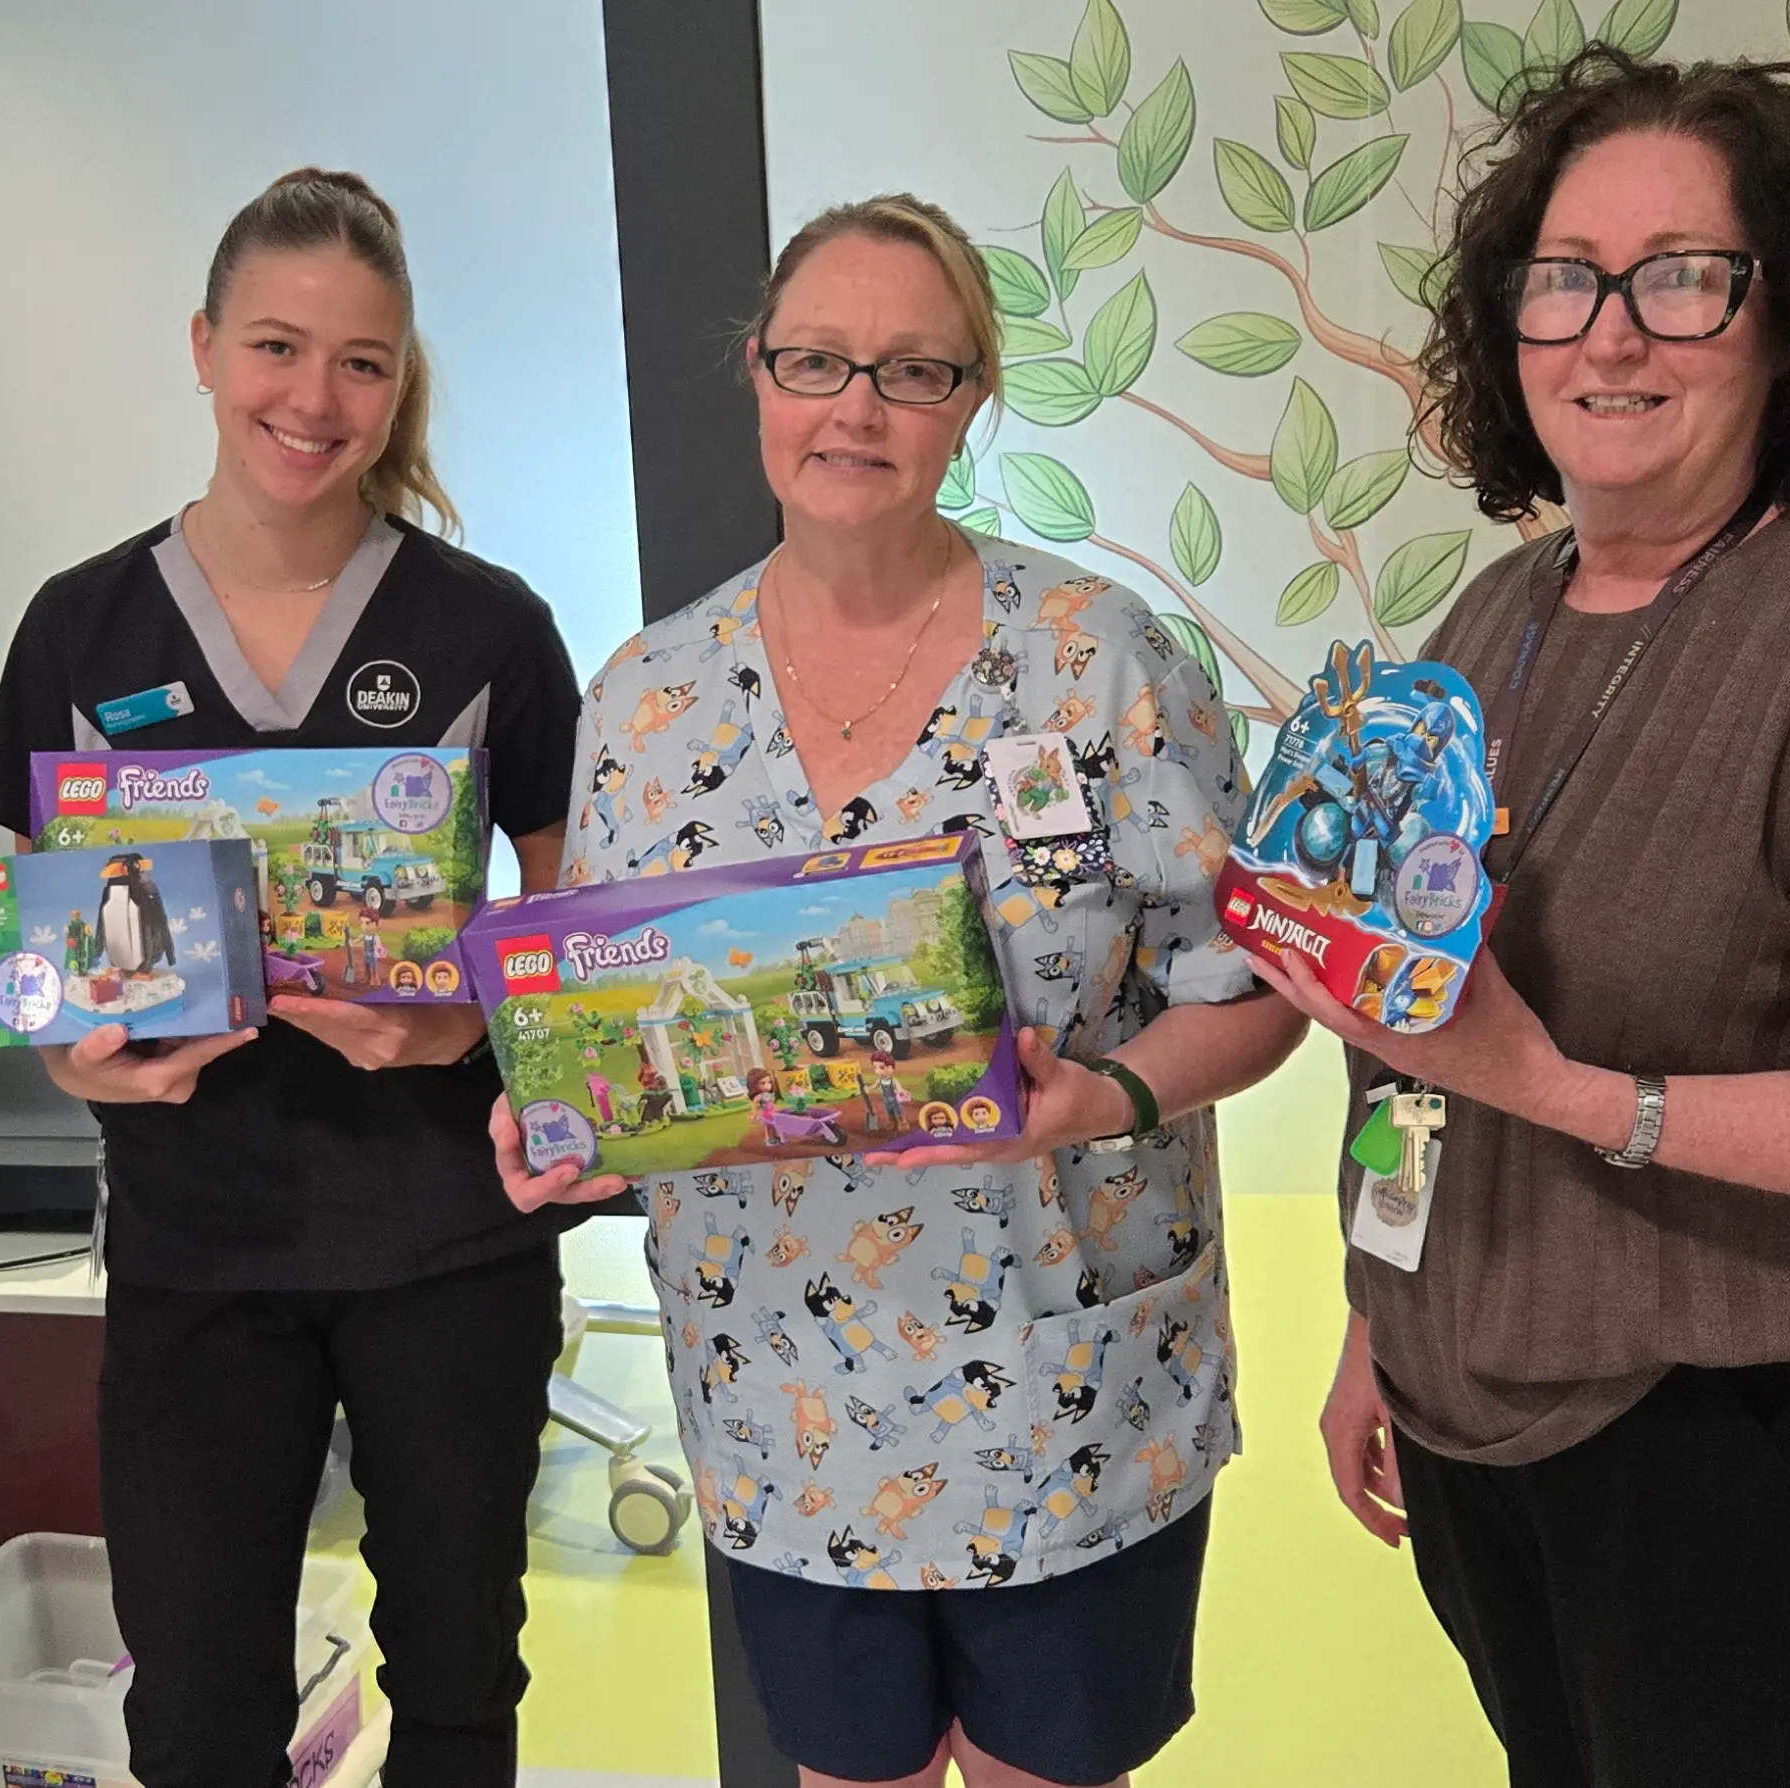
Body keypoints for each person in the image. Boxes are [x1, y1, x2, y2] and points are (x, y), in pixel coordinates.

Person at [503, 195, 1306, 1788]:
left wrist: (1108, 1095)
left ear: (971, 398)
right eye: (816, 360)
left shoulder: (1097, 659)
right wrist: (565, 1132)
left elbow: (1256, 984)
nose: (855, 408)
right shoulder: (648, 701)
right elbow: (614, 1038)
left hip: (1065, 1379)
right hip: (779, 1395)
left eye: (912, 370)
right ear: (756, 373)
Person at [1243, 50, 1790, 1788]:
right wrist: (1379, 1319)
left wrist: (1560, 1089)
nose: (1608, 334)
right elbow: (1410, 1030)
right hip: (1470, 1399)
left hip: (1724, 1435)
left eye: (1679, 278)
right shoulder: (1496, 613)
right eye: (1561, 278)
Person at [0, 167, 584, 1788]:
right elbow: (50, 959)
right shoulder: (81, 628)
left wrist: (465, 1022)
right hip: (195, 1249)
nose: (314, 399)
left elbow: (572, 930)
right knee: (194, 1712)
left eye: (361, 362)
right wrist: (76, 1061)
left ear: (399, 377)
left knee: (457, 1678)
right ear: (202, 348)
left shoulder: (488, 630)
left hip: (446, 1245)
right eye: (275, 347)